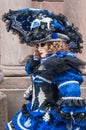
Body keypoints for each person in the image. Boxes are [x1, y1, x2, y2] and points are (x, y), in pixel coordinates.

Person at [2, 8, 86, 130]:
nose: (39, 48)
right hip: (33, 114)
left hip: (51, 119)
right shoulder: (41, 63)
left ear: (54, 45)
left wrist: (67, 119)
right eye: (37, 45)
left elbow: (71, 93)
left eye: (43, 44)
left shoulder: (62, 65)